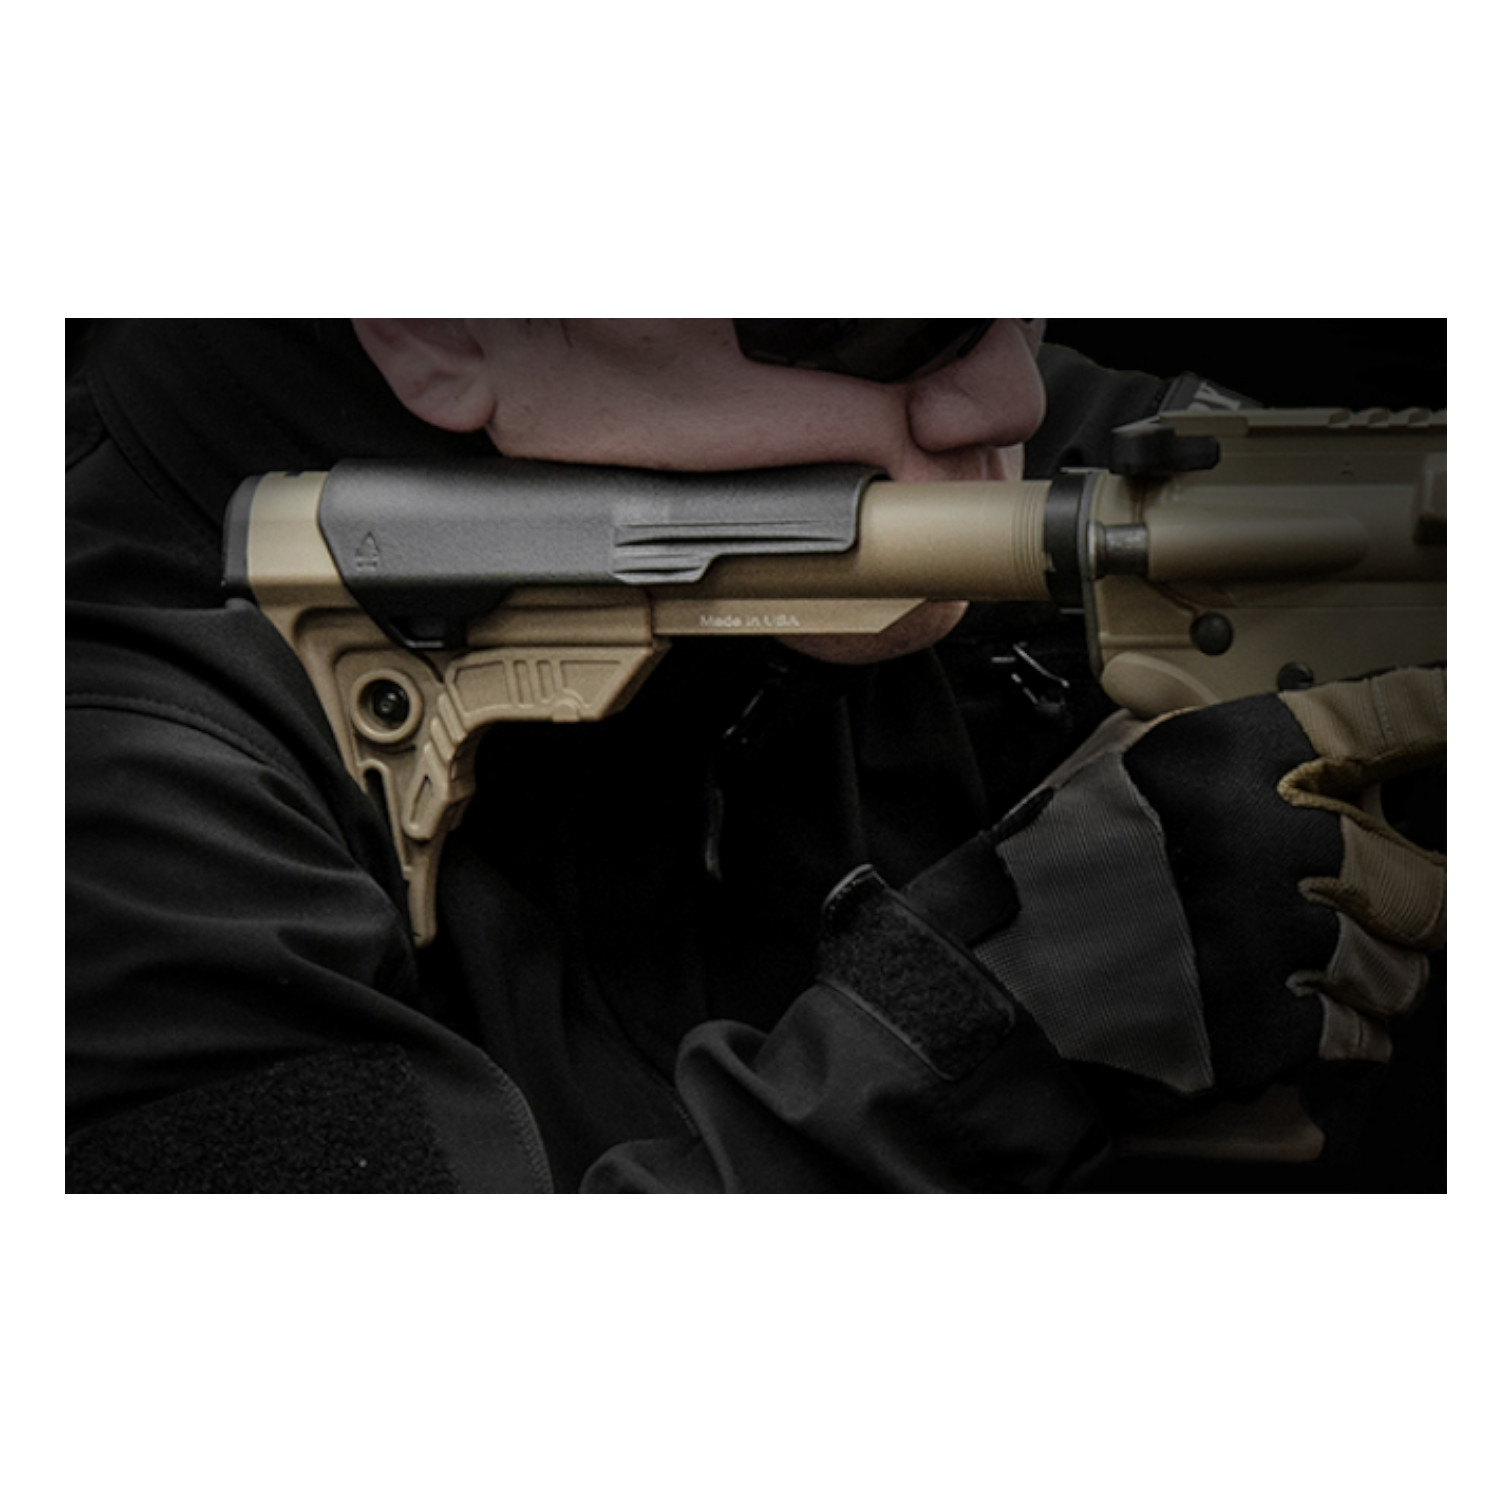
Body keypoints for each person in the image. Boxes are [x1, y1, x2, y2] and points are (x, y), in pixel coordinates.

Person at [65, 319, 1446, 1193]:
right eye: (878, 316)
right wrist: (977, 1040)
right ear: (443, 318)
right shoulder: (106, 794)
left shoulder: (864, 436)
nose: (1004, 394)